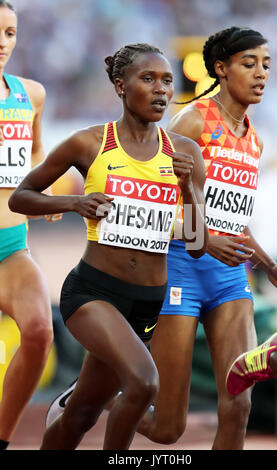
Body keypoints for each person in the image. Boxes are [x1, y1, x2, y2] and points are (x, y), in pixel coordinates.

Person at [44, 27, 277, 450]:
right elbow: (154, 205)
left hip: (231, 280)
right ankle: (97, 395)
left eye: (267, 65)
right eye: (249, 64)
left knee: (237, 407)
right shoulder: (193, 120)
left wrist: (269, 266)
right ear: (221, 68)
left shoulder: (253, 138)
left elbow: (233, 219)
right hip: (180, 268)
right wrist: (202, 239)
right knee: (166, 429)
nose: (261, 74)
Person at [9, 43, 208, 450]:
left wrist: (187, 189)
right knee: (143, 382)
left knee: (81, 412)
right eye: (147, 79)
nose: (160, 90)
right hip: (93, 292)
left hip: (147, 302)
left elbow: (198, 244)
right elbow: (21, 197)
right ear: (120, 85)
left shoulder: (185, 153)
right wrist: (74, 203)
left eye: (167, 81)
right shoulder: (89, 143)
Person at [0, 1, 62, 450]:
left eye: (9, 33)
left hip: (10, 247)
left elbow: (35, 155)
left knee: (39, 332)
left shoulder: (31, 94)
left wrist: (45, 188)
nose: (3, 43)